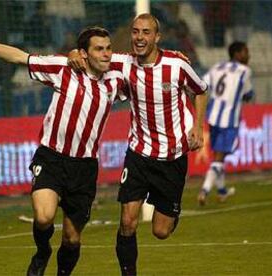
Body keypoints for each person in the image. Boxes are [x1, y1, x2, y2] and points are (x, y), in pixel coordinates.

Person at [0, 26, 125, 276]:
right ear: (84, 53)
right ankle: (42, 250)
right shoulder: (62, 68)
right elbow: (17, 57)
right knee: (44, 217)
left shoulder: (116, 79)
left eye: (108, 48)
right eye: (99, 49)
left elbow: (146, 68)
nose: (106, 54)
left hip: (85, 167)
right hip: (52, 158)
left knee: (71, 239)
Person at [69, 13, 208, 276]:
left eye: (146, 32)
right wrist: (73, 53)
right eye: (135, 32)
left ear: (157, 37)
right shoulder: (122, 63)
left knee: (160, 231)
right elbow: (89, 55)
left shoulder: (177, 65)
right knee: (127, 221)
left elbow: (200, 90)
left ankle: (171, 214)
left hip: (173, 156)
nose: (139, 37)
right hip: (139, 154)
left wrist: (197, 127)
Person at [197, 41, 254, 206]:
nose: (248, 56)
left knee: (218, 155)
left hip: (213, 116)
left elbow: (202, 83)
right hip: (229, 120)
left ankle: (222, 191)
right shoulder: (245, 71)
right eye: (245, 52)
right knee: (219, 158)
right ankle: (204, 190)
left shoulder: (217, 67)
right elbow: (249, 94)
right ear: (236, 54)